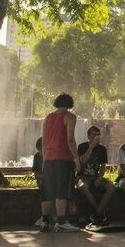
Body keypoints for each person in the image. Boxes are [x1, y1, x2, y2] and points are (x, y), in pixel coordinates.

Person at [40, 93, 83, 232]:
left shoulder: (48, 117)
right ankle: (61, 222)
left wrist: (44, 158)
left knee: (47, 191)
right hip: (63, 158)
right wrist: (76, 158)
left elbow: (44, 141)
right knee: (61, 190)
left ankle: (45, 222)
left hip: (48, 158)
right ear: (70, 104)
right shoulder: (70, 117)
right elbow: (70, 139)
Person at [76, 125, 114, 226]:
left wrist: (99, 178)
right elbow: (82, 160)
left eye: (98, 135)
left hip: (95, 176)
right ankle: (99, 212)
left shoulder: (102, 149)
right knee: (82, 186)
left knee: (110, 186)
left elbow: (103, 166)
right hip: (81, 177)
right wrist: (91, 146)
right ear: (88, 136)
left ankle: (96, 212)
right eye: (94, 135)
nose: (96, 137)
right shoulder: (82, 146)